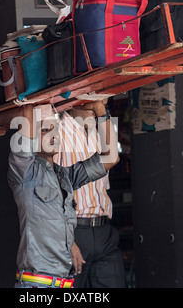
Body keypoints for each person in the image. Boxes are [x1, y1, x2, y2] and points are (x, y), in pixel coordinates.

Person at [0, 100, 119, 288]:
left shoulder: (66, 176)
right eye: (45, 130)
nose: (53, 135)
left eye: (55, 129)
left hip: (64, 283)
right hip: (37, 284)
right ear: (30, 138)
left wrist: (100, 110)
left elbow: (111, 157)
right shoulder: (24, 172)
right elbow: (26, 109)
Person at [53, 106, 125, 288]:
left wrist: (102, 112)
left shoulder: (103, 126)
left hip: (104, 232)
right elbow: (50, 193)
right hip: (73, 232)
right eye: (94, 95)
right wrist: (67, 240)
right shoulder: (56, 129)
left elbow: (113, 157)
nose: (100, 102)